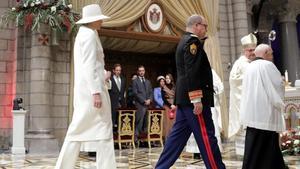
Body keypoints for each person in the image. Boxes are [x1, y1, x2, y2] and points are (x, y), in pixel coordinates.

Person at [155, 14, 225, 169]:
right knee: (207, 137)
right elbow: (191, 72)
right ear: (197, 25)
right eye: (205, 26)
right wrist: (196, 99)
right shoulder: (192, 42)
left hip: (184, 100)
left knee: (176, 139)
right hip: (193, 101)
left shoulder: (183, 41)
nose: (206, 29)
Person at [55, 4, 116, 169]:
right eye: (100, 19)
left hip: (87, 90)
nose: (101, 21)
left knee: (84, 131)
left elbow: (91, 65)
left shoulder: (87, 33)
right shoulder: (88, 35)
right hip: (92, 92)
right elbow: (89, 65)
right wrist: (96, 92)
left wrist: (103, 75)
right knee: (90, 130)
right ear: (93, 20)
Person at [240, 44, 286, 169]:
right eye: (271, 54)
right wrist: (281, 82)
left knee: (254, 149)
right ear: (265, 53)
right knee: (268, 147)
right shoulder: (268, 65)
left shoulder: (249, 67)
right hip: (265, 114)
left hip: (251, 114)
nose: (272, 57)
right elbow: (278, 87)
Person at [228, 33, 257, 155]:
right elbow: (234, 80)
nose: (252, 53)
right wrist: (249, 77)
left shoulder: (254, 62)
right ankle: (244, 150)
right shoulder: (240, 63)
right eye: (250, 50)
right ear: (244, 50)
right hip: (242, 99)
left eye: (254, 50)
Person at [186, 69, 224, 157]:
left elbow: (219, 86)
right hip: (197, 101)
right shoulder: (193, 70)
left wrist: (213, 88)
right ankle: (196, 151)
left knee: (209, 126)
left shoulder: (212, 72)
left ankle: (211, 150)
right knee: (196, 125)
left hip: (208, 101)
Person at [132, 65, 153, 136]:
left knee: (146, 122)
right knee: (139, 122)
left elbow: (151, 92)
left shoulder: (148, 82)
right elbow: (135, 93)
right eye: (140, 71)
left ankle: (144, 139)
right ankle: (136, 138)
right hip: (140, 105)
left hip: (148, 105)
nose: (141, 72)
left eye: (143, 71)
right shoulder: (135, 81)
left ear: (144, 71)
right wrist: (144, 101)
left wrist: (149, 100)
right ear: (138, 72)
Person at [109, 63, 126, 131]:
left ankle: (120, 133)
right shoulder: (110, 79)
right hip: (113, 102)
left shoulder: (123, 79)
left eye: (119, 70)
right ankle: (112, 134)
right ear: (113, 71)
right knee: (113, 118)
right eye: (117, 70)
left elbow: (123, 91)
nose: (118, 72)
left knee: (121, 119)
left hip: (121, 102)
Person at [161, 73, 176, 137]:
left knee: (174, 122)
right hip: (167, 106)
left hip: (174, 106)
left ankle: (174, 138)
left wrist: (174, 104)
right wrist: (170, 105)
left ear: (171, 79)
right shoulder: (163, 87)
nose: (167, 79)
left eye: (168, 78)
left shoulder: (175, 87)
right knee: (167, 123)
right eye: (166, 78)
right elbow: (164, 98)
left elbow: (177, 96)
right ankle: (167, 138)